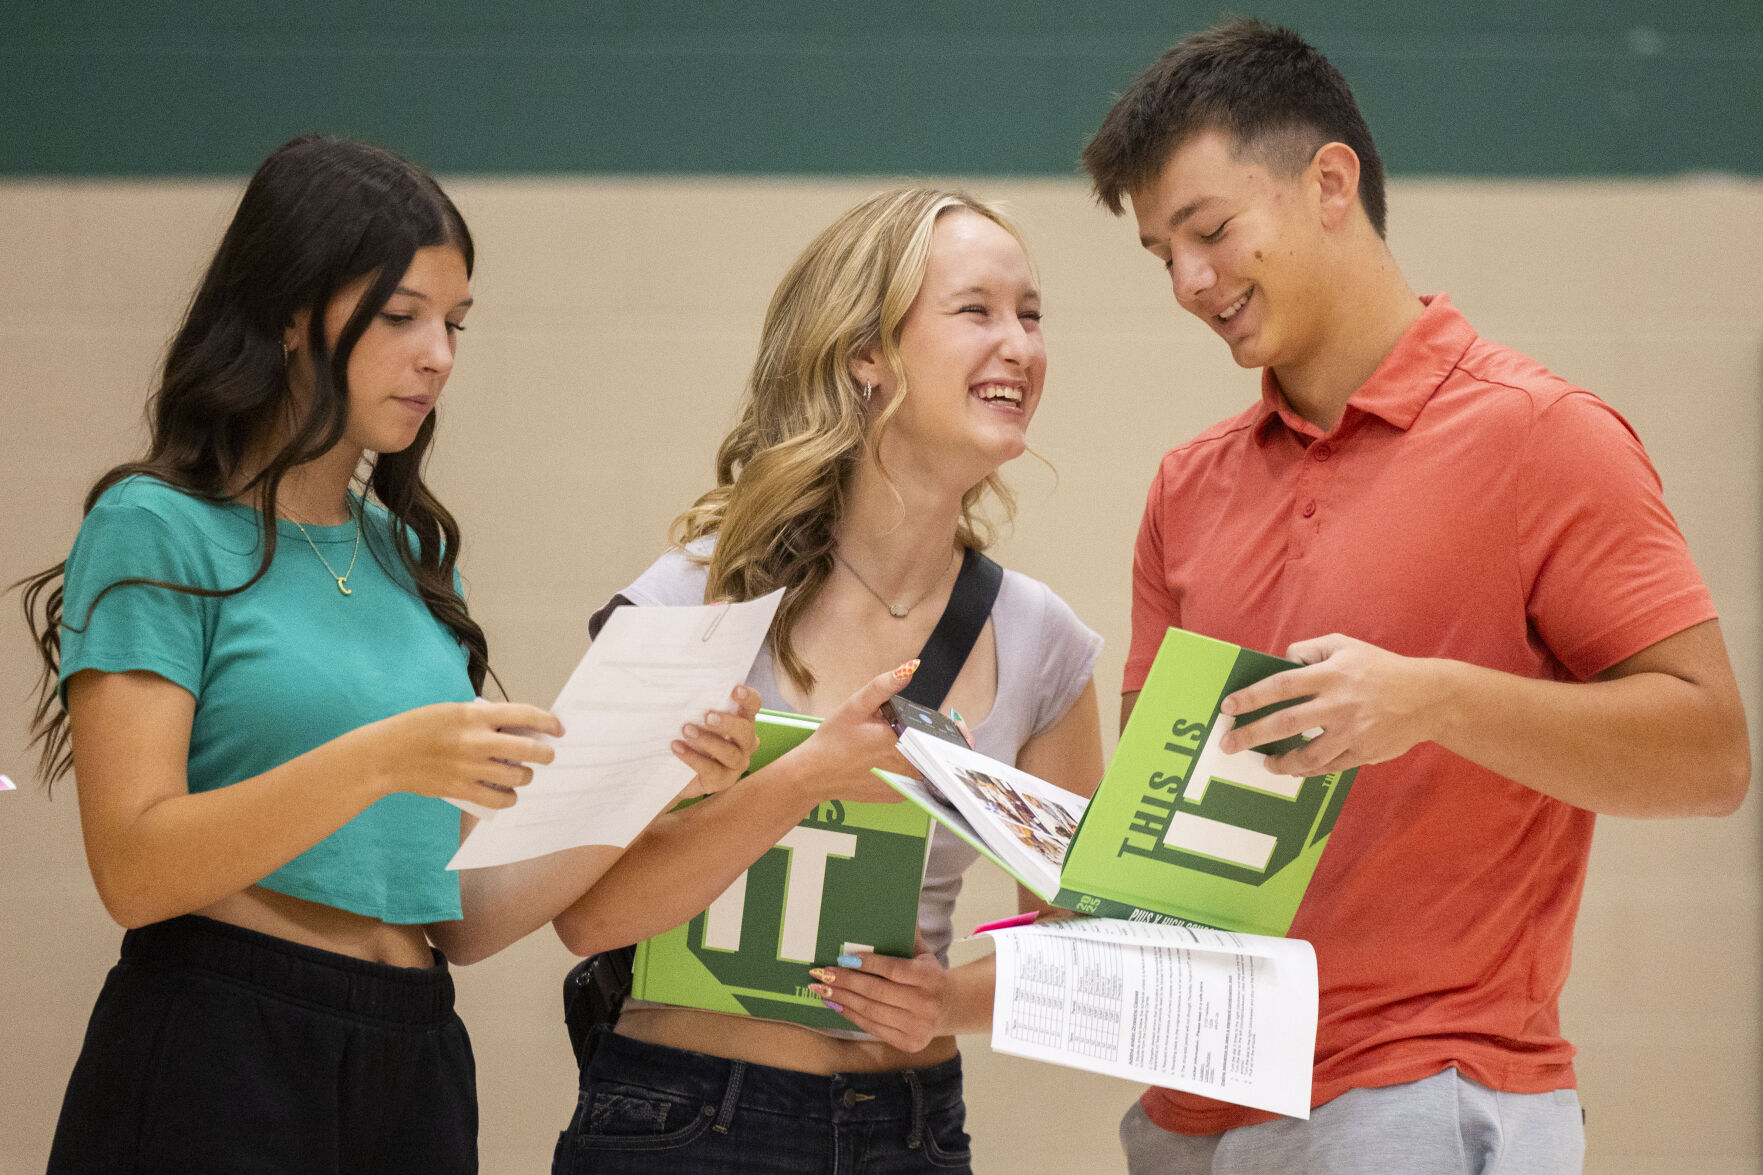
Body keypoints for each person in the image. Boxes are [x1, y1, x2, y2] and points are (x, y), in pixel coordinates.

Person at [1079, 18, 1750, 1175]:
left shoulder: (1543, 436)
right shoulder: (1186, 488)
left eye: (1209, 231)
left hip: (1416, 1095)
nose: (1188, 282)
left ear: (1328, 182)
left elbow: (1710, 755)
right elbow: (1162, 846)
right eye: (1160, 255)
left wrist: (1433, 699)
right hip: (1185, 1116)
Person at [16, 134, 760, 1174]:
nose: (438, 356)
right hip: (220, 1039)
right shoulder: (156, 526)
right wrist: (381, 759)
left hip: (414, 1044)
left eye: (454, 324)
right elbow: (134, 868)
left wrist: (652, 779)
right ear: (287, 314)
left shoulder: (402, 549)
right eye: (402, 316)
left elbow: (467, 918)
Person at [549, 187, 1105, 1173]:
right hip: (685, 1120)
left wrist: (955, 997)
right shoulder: (694, 599)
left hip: (914, 1126)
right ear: (866, 357)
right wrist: (797, 778)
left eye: (1029, 313)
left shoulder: (1041, 637)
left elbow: (1088, 935)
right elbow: (585, 915)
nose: (1018, 343)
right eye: (975, 309)